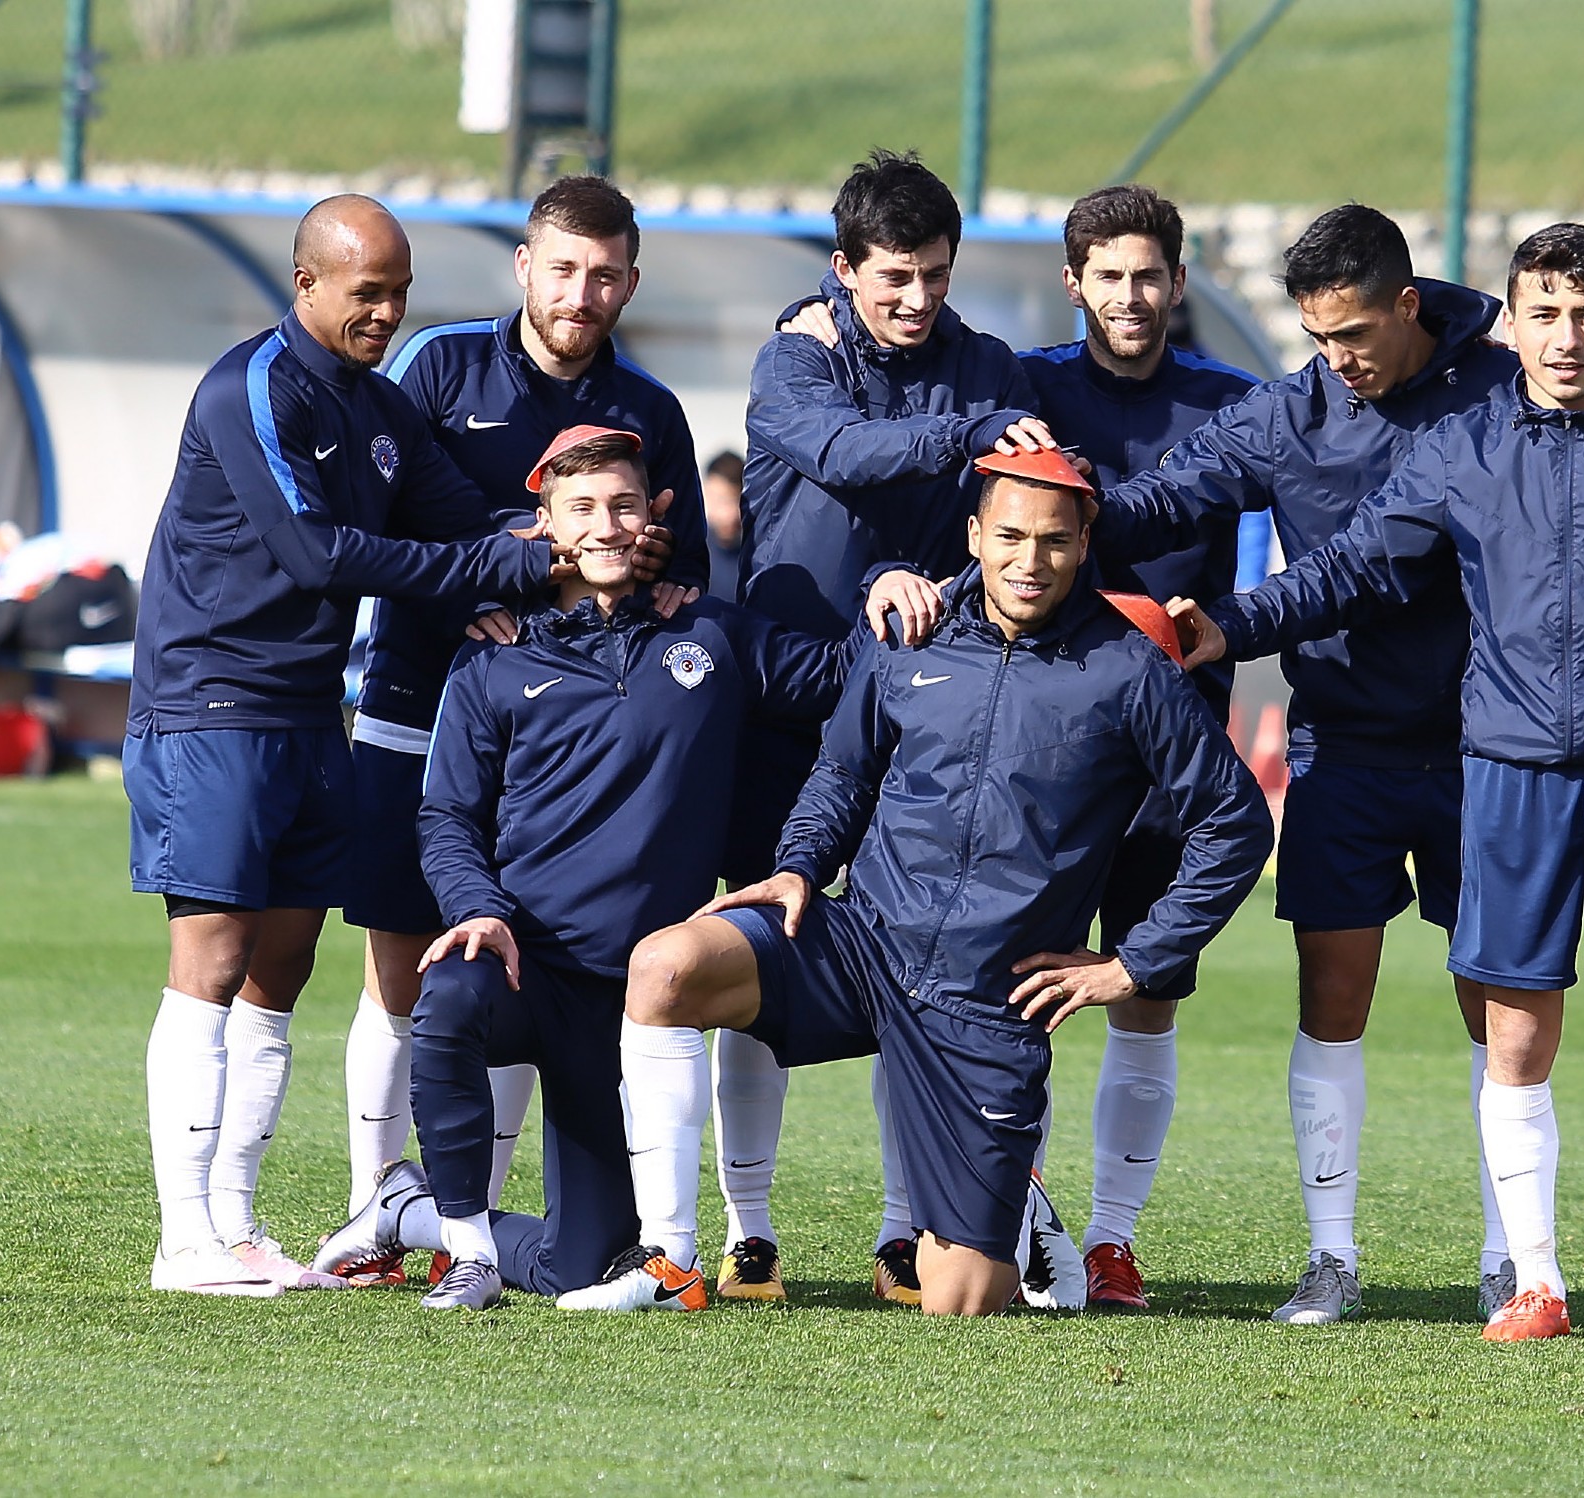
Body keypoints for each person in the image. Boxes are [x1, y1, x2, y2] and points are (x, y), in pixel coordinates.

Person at [1187, 223, 1584, 1351]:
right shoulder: (1462, 447)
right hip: (1506, 781)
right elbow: (1354, 565)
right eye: (1544, 313)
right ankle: (1534, 1286)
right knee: (1514, 1039)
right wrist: (1232, 626)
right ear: (1511, 323)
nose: (1568, 336)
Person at [554, 449, 1274, 1317]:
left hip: (986, 997)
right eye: (1009, 536)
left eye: (1054, 541)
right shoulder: (911, 638)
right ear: (974, 535)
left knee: (961, 1301)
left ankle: (1019, 1213)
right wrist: (798, 865)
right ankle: (670, 1259)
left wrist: (1134, 965)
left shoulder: (1131, 669)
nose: (1029, 560)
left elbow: (1236, 824)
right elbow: (842, 771)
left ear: (1084, 545)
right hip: (863, 945)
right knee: (665, 967)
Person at [1036, 204, 1523, 1324]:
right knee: (1331, 1002)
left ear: (1408, 305)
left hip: (1489, 745)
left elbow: (1367, 566)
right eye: (1317, 338)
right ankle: (1331, 1260)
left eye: (1353, 334)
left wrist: (1234, 625)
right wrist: (1059, 506)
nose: (1336, 359)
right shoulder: (1287, 412)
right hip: (1343, 744)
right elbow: (1167, 499)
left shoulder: (1497, 392)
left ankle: (1512, 1259)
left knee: (1499, 1006)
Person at [313, 426, 918, 1308]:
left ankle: (406, 1210)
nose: (606, 526)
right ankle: (470, 1250)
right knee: (446, 996)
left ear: (653, 516)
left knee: (580, 1263)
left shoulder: (711, 634)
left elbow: (838, 676)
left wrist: (885, 586)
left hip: (634, 1007)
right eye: (583, 509)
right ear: (546, 524)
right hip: (523, 969)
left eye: (624, 506)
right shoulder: (493, 654)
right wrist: (476, 908)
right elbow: (445, 817)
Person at [128, 195, 566, 1297]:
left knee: (281, 969)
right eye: (367, 292)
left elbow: (459, 519)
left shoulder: (381, 406)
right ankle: (182, 1237)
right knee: (211, 964)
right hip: (211, 704)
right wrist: (496, 570)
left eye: (400, 292)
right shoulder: (250, 386)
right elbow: (316, 552)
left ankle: (236, 1226)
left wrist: (571, 540)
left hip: (309, 710)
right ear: (307, 282)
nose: (386, 312)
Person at [336, 175, 705, 1267]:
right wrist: (479, 579)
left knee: (512, 959)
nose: (582, 294)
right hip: (417, 703)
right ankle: (375, 1203)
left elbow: (682, 573)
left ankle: (465, 1222)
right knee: (403, 966)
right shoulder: (439, 367)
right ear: (524, 268)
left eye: (605, 275)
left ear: (631, 282)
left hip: (559, 742)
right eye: (563, 269)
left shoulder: (652, 412)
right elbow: (378, 521)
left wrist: (648, 562)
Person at [716, 148, 1051, 1306]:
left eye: (936, 275)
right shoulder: (796, 354)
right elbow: (838, 451)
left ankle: (907, 1229)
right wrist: (971, 430)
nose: (917, 299)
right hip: (785, 699)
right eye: (894, 277)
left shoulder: (987, 364)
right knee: (757, 958)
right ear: (844, 267)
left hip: (924, 713)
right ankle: (750, 1229)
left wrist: (926, 572)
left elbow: (1011, 513)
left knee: (928, 970)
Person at [1015, 183, 1265, 1310]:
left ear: (1178, 280)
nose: (1130, 295)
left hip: (1176, 746)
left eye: (1149, 274)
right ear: (1074, 283)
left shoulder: (1235, 404)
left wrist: (1232, 621)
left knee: (1145, 989)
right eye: (1108, 276)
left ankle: (1113, 1241)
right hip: (1039, 743)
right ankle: (1015, 1215)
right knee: (1017, 984)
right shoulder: (1023, 391)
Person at [703, 450, 745, 600]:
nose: (729, 514)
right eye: (720, 500)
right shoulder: (688, 553)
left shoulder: (761, 554)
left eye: (737, 502)